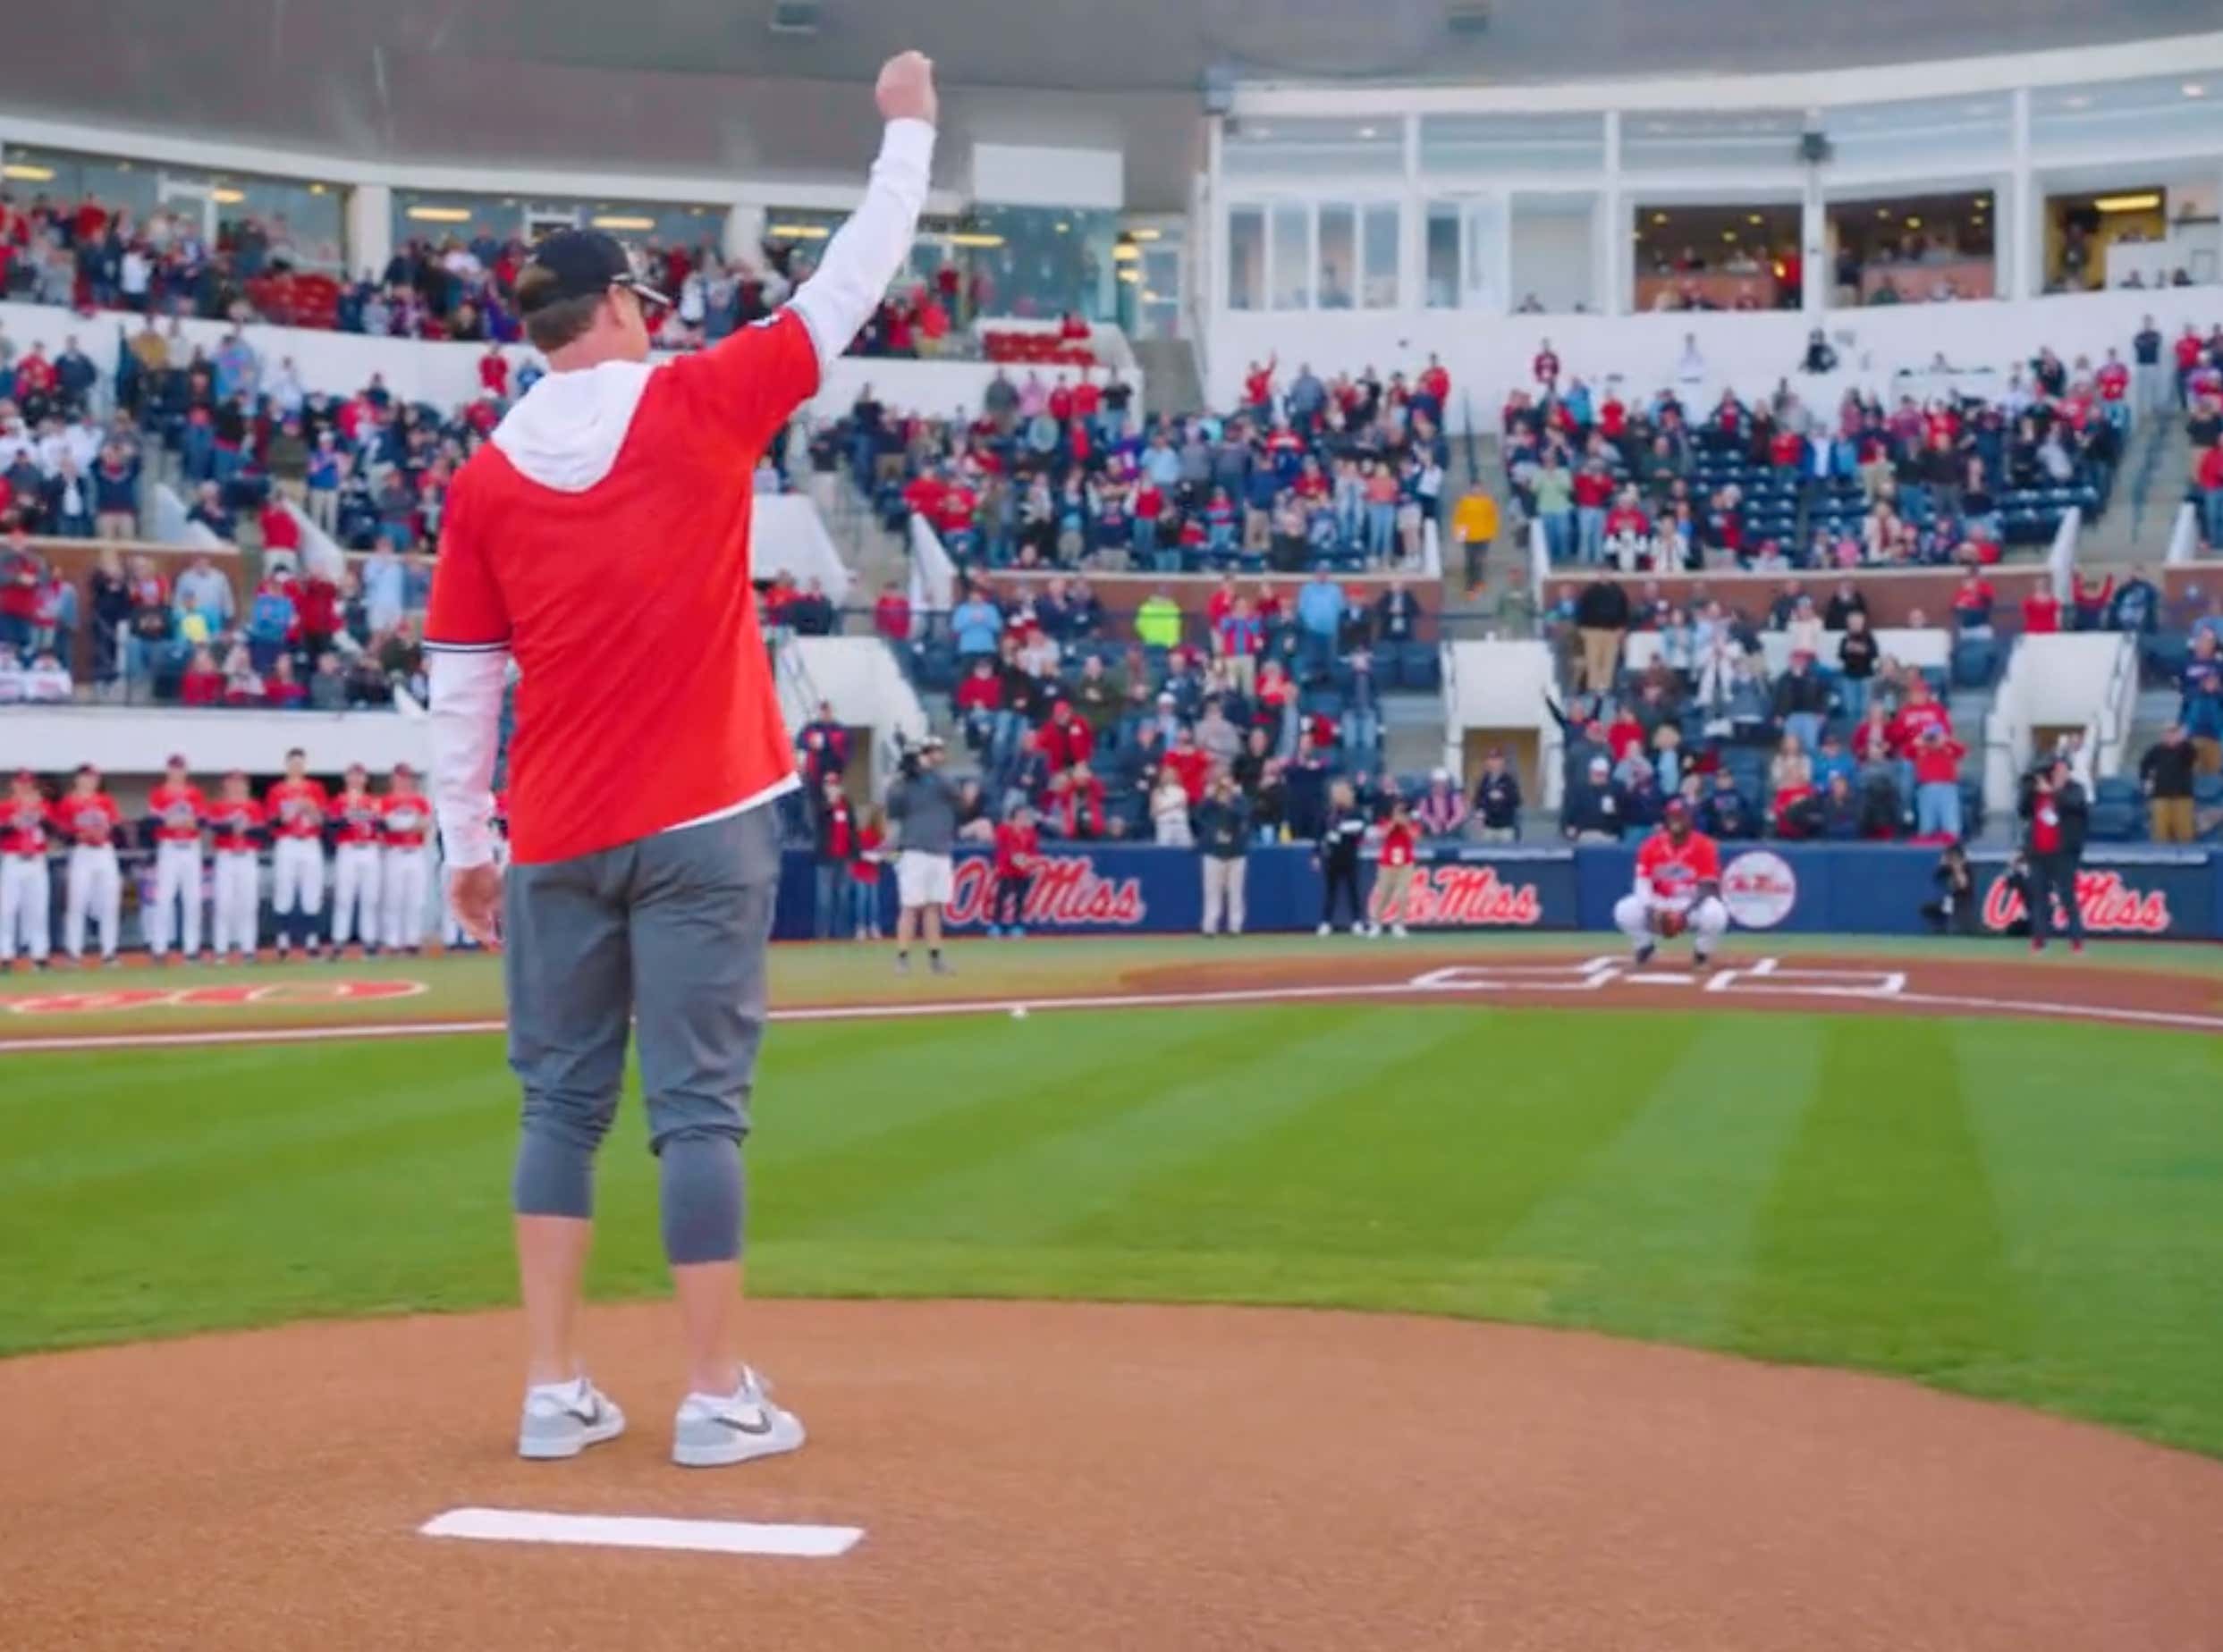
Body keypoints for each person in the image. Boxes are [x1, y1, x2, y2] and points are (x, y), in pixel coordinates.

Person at [424, 53, 938, 1465]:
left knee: (559, 1104)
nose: (657, 320)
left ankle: (552, 1387)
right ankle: (714, 1395)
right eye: (644, 303)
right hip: (707, 812)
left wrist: (468, 848)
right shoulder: (698, 402)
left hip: (562, 829)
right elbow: (850, 278)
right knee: (697, 1108)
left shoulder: (481, 479)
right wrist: (907, 133)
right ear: (613, 312)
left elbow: (461, 686)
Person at [1614, 798, 1728, 967]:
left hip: (1690, 903)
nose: (1676, 821)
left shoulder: (1704, 845)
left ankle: (1701, 953)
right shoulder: (1651, 845)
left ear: (1690, 818)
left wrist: (1684, 914)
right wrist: (1652, 911)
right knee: (1624, 910)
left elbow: (1708, 887)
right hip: (1659, 901)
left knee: (1716, 913)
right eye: (1672, 816)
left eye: (1681, 816)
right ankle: (1645, 947)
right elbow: (1642, 883)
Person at [886, 733, 959, 976]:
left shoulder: (940, 781)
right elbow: (894, 806)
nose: (940, 755)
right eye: (935, 751)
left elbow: (956, 795)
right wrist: (905, 775)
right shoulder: (906, 783)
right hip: (916, 850)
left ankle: (935, 957)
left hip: (939, 850)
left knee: (932, 907)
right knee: (910, 907)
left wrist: (925, 772)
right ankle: (902, 957)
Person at [142, 755, 207, 964]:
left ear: (185, 771)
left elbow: (201, 821)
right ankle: (159, 948)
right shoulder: (159, 793)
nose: (177, 772)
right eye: (174, 768)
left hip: (190, 846)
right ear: (168, 770)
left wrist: (187, 822)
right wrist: (169, 821)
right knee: (164, 899)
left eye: (180, 768)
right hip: (169, 847)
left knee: (192, 900)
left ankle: (192, 949)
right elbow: (152, 821)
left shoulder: (194, 793)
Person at [56, 765, 123, 966]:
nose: (89, 781)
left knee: (109, 903)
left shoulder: (106, 800)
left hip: (104, 851)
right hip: (82, 852)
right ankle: (73, 952)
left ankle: (109, 952)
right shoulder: (69, 802)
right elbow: (61, 831)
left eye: (92, 778)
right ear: (77, 779)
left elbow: (116, 826)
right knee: (77, 902)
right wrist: (77, 835)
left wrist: (104, 832)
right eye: (85, 777)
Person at [265, 748, 329, 959]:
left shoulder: (315, 788)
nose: (296, 767)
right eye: (293, 763)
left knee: (311, 890)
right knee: (284, 888)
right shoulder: (278, 790)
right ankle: (283, 940)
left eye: (300, 763)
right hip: (288, 841)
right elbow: (273, 821)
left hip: (310, 840)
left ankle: (311, 941)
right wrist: (290, 812)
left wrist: (310, 808)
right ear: (287, 765)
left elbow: (323, 821)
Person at [2020, 756, 2088, 954]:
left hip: (2063, 853)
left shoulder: (2075, 790)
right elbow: (2023, 810)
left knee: (2067, 897)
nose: (2059, 774)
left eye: (2063, 770)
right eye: (2056, 770)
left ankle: (2076, 941)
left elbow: (2075, 805)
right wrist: (2030, 789)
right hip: (2038, 853)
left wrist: (2053, 792)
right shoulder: (2038, 793)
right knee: (2039, 898)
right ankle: (2039, 940)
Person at [207, 771, 264, 963]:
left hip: (247, 855)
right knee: (224, 904)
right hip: (226, 856)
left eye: (240, 783)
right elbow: (213, 828)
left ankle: (248, 949)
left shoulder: (254, 806)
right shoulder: (218, 806)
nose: (237, 786)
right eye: (232, 783)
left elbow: (263, 832)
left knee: (248, 903)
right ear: (226, 785)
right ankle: (221, 949)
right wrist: (232, 826)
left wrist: (247, 828)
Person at [0, 771, 55, 969]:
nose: (24, 787)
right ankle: (5, 954)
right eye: (21, 783)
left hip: (36, 860)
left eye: (28, 783)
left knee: (38, 909)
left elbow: (54, 832)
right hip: (13, 859)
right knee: (7, 910)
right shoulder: (5, 807)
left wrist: (41, 817)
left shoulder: (42, 806)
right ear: (13, 785)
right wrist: (10, 824)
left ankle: (39, 955)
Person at [328, 765, 385, 954]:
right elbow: (331, 827)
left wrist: (372, 819)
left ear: (365, 779)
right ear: (346, 778)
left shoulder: (373, 801)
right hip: (348, 847)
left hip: (369, 848)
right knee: (344, 896)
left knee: (370, 897)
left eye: (359, 776)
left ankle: (369, 940)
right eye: (352, 775)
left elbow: (382, 826)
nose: (356, 779)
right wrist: (347, 817)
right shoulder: (339, 800)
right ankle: (339, 940)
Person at [378, 764, 434, 955]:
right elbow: (388, 825)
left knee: (415, 898)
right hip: (394, 851)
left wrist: (406, 824)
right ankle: (392, 941)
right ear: (393, 780)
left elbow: (425, 825)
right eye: (399, 777)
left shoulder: (420, 801)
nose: (403, 781)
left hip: (415, 851)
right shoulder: (386, 801)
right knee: (394, 898)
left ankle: (412, 941)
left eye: (406, 777)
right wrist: (410, 823)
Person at [1194, 772, 1250, 938]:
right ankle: (1209, 927)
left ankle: (1235, 927)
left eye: (1228, 786)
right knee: (1212, 891)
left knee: (1236, 891)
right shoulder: (1210, 804)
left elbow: (1243, 815)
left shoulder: (1240, 801)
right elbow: (1197, 815)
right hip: (1213, 852)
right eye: (1222, 786)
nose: (1225, 790)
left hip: (1236, 853)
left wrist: (1229, 803)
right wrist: (1212, 799)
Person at [808, 773, 858, 940]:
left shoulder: (846, 806)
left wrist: (854, 852)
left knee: (843, 897)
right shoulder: (820, 805)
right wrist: (830, 804)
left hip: (844, 857)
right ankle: (822, 933)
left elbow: (852, 829)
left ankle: (842, 934)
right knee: (825, 898)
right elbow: (817, 822)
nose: (832, 788)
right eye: (829, 785)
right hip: (826, 857)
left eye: (835, 785)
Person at [1316, 780, 1367, 935]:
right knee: (1331, 890)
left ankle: (1357, 921)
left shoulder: (1355, 812)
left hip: (1349, 854)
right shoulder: (1327, 812)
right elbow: (1319, 833)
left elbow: (1361, 828)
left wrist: (1342, 831)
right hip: (1332, 855)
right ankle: (1326, 922)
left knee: (1353, 889)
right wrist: (1316, 853)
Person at [986, 803, 1040, 937]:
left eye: (1025, 816)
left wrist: (1028, 861)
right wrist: (1015, 858)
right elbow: (1002, 848)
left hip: (1023, 870)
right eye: (1020, 816)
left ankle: (1017, 924)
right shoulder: (1003, 830)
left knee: (1020, 899)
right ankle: (996, 924)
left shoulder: (1030, 833)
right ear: (1013, 817)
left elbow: (1033, 852)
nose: (1023, 819)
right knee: (1001, 897)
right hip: (1006, 869)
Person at [1372, 797, 1420, 940]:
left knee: (1403, 894)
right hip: (1387, 862)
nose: (1400, 811)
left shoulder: (1412, 821)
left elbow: (1415, 836)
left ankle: (1399, 924)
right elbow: (1382, 834)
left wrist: (1405, 824)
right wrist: (1393, 822)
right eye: (1397, 809)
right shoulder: (1384, 819)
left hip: (1406, 861)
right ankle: (1376, 923)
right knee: (1384, 894)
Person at [2141, 724, 2197, 843]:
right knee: (2160, 833)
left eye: (2174, 733)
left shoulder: (2187, 749)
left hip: (2183, 796)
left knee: (2184, 833)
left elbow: (2191, 758)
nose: (2170, 736)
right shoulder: (2155, 750)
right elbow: (2144, 765)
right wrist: (2146, 781)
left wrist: (2184, 741)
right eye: (2168, 733)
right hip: (2160, 795)